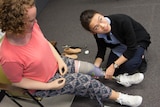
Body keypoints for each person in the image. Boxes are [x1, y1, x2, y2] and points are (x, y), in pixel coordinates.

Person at [0, 0, 143, 106]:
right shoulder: (8, 56)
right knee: (87, 82)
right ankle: (120, 98)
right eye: (31, 20)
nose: (35, 21)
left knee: (91, 69)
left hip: (56, 63)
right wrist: (50, 86)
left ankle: (118, 79)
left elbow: (45, 42)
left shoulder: (32, 26)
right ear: (17, 24)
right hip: (44, 82)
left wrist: (60, 60)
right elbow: (17, 81)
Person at [80, 9, 151, 87]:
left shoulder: (122, 21)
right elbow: (101, 50)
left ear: (101, 14)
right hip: (120, 44)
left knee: (129, 65)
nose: (103, 26)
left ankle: (141, 58)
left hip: (137, 41)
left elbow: (132, 48)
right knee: (110, 70)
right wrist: (95, 67)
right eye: (96, 27)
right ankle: (123, 76)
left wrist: (114, 65)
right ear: (93, 32)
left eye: (101, 19)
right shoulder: (97, 34)